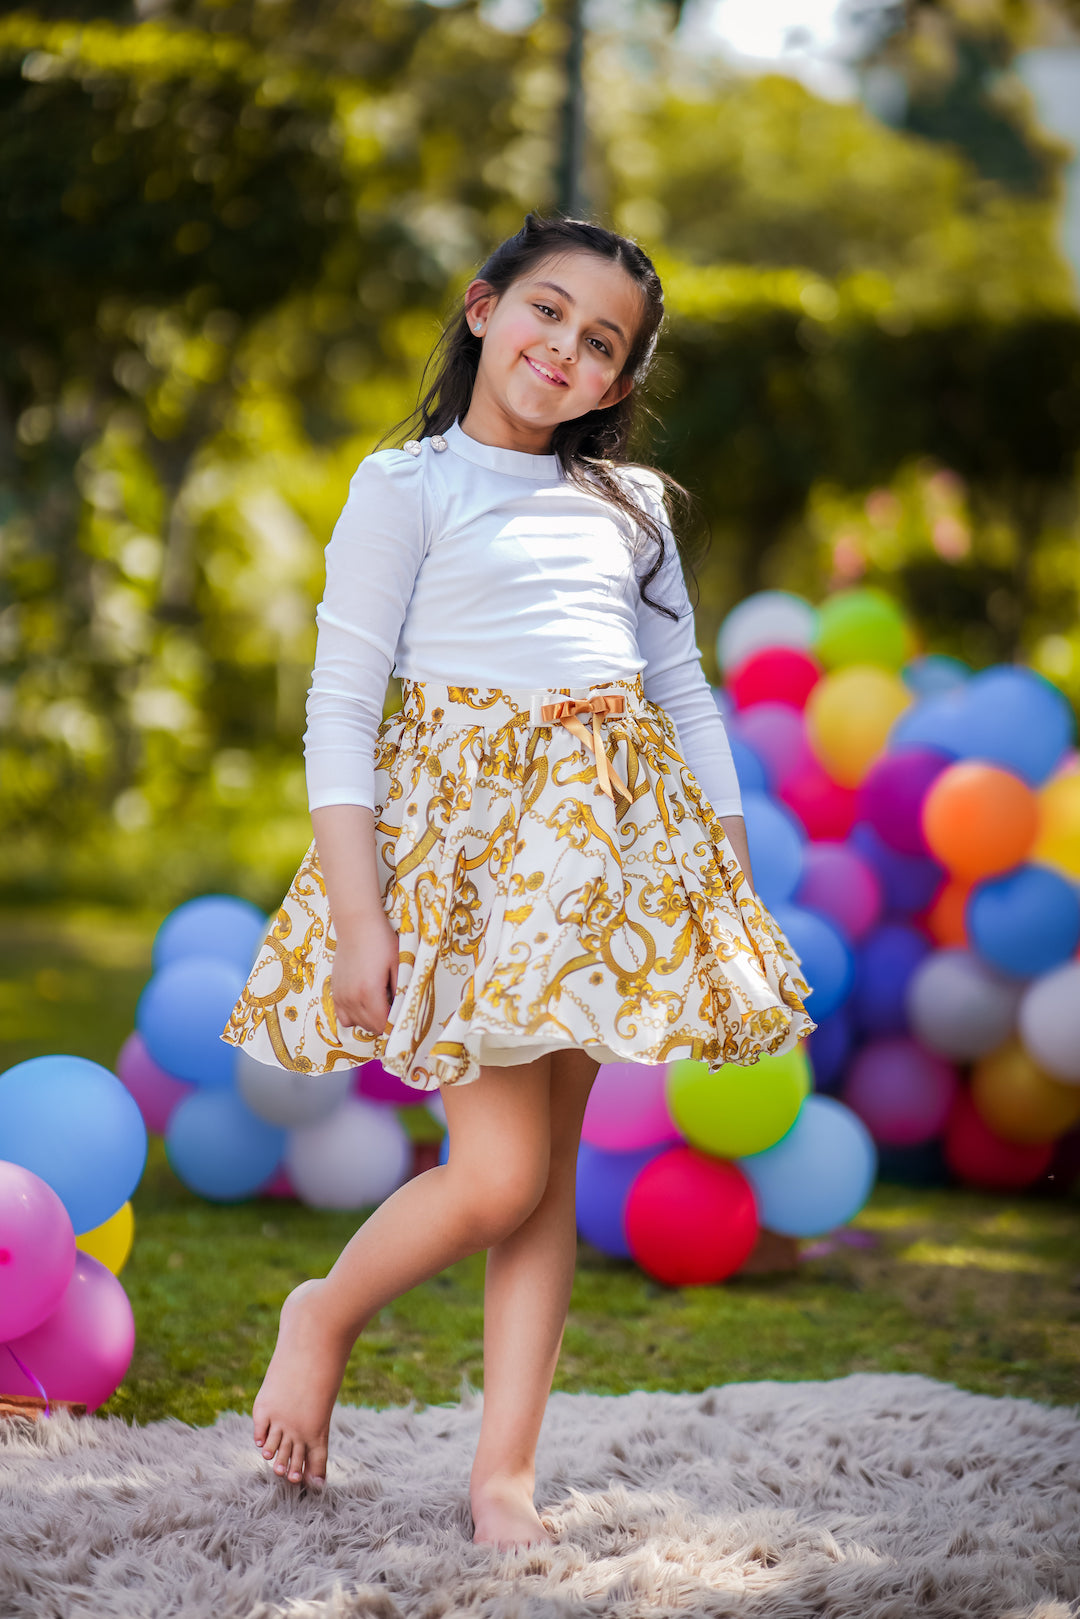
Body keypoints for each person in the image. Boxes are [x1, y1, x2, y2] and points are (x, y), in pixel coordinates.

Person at [219, 212, 813, 1543]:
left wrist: (719, 871)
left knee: (545, 1179)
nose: (565, 348)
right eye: (547, 311)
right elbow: (340, 703)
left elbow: (680, 690)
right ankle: (322, 1312)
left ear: (615, 386)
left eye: (600, 343)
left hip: (605, 859)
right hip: (472, 862)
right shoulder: (408, 486)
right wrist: (361, 913)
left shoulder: (634, 507)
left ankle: (504, 1480)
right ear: (485, 309)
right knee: (493, 1176)